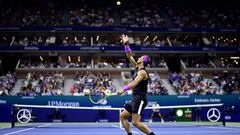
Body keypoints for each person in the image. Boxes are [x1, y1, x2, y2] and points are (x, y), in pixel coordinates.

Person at [117, 34, 155, 135]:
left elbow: (135, 83)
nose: (138, 58)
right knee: (122, 116)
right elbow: (129, 56)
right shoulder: (138, 68)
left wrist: (123, 89)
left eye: (141, 57)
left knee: (135, 122)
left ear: (143, 61)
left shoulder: (142, 72)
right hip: (135, 98)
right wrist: (126, 44)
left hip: (140, 99)